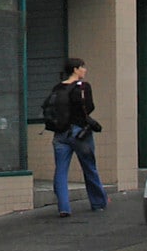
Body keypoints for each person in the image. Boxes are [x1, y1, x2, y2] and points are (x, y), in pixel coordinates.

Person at [45, 58, 108, 216]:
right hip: (79, 132)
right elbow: (89, 107)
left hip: (60, 134)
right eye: (82, 67)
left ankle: (64, 207)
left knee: (61, 170)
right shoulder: (84, 87)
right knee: (89, 167)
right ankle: (98, 202)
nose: (84, 70)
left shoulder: (57, 88)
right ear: (75, 69)